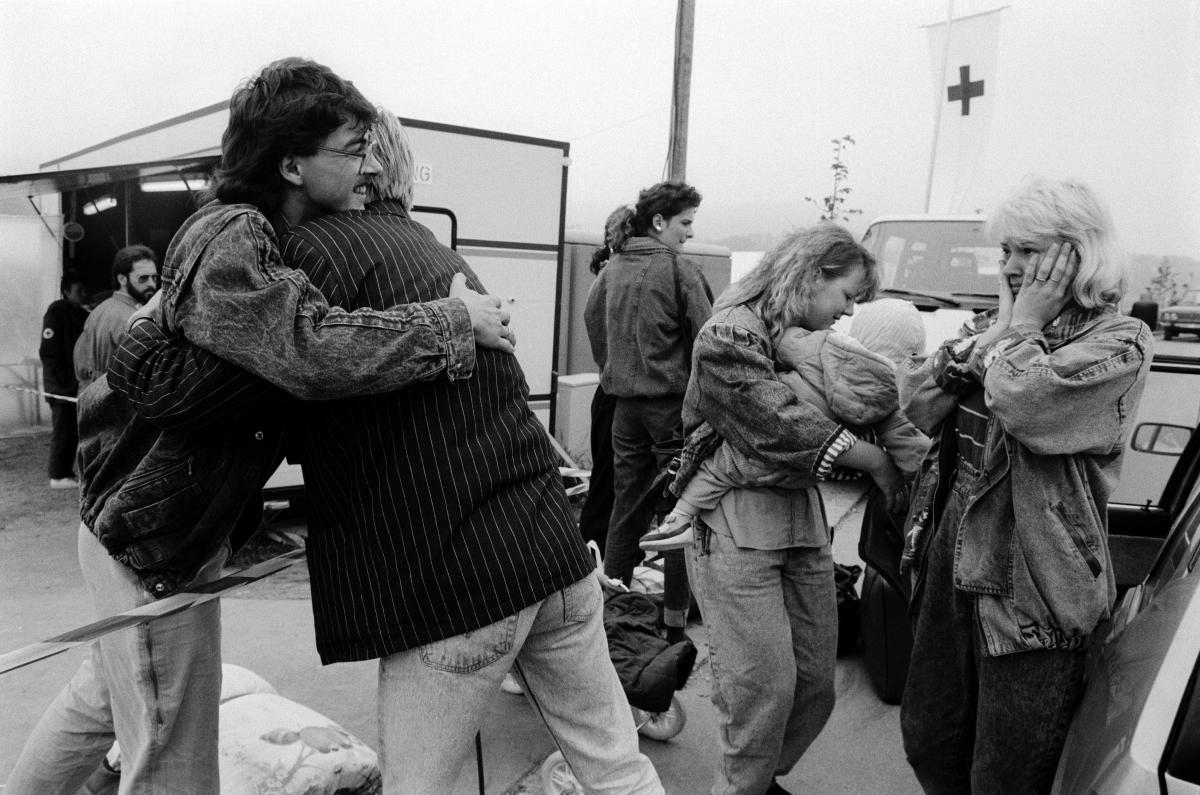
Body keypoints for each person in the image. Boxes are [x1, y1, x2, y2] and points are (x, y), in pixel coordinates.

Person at [5, 58, 514, 795]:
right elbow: (307, 348)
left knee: (107, 697)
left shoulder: (258, 237)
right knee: (174, 755)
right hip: (154, 539)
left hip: (145, 526)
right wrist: (451, 321)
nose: (365, 165)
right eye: (349, 150)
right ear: (293, 165)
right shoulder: (238, 234)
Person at [276, 109, 662, 793]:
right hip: (552, 559)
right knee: (616, 767)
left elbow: (294, 385)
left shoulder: (316, 252)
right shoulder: (438, 252)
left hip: (457, 585)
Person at [897, 176, 1153, 793]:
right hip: (950, 549)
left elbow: (1025, 402)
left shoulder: (1119, 341)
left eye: (1028, 251)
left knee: (1006, 773)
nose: (1009, 266)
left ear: (1078, 251)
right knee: (930, 738)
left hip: (1034, 575)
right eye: (1006, 251)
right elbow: (915, 403)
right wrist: (1008, 328)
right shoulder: (1001, 323)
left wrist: (1014, 331)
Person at [675, 224, 905, 794]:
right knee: (762, 691)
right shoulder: (730, 333)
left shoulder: (792, 332)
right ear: (812, 275)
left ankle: (758, 776)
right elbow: (774, 422)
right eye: (847, 295)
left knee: (812, 686)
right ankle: (742, 784)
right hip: (737, 530)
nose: (849, 312)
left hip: (801, 522)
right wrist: (873, 458)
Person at [641, 290, 928, 552]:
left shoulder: (826, 345)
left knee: (720, 467)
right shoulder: (891, 391)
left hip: (781, 431)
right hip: (813, 458)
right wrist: (921, 484)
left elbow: (784, 344)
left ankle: (681, 517)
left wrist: (782, 376)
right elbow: (909, 446)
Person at [583, 181, 713, 644]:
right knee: (679, 515)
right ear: (660, 222)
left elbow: (592, 323)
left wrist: (613, 371)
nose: (690, 234)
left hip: (623, 411)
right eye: (685, 223)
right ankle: (674, 626)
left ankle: (609, 616)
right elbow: (709, 343)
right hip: (670, 411)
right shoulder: (679, 269)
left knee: (626, 508)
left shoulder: (613, 267)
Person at [577, 206, 629, 553]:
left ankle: (607, 549)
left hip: (611, 388)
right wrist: (610, 366)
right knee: (609, 478)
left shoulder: (613, 273)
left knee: (612, 477)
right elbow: (594, 321)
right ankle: (594, 550)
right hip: (616, 390)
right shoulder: (614, 275)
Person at [73, 244, 160, 391]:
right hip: (120, 405)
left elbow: (80, 365)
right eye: (143, 278)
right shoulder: (136, 320)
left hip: (90, 400)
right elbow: (149, 378)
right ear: (122, 279)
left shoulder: (97, 311)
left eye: (154, 278)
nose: (151, 284)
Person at [39, 270, 88, 489]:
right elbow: (48, 352)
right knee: (63, 430)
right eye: (78, 291)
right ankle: (58, 475)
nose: (83, 294)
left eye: (84, 290)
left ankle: (65, 472)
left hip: (72, 383)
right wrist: (61, 382)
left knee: (71, 430)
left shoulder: (79, 313)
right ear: (66, 291)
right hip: (60, 385)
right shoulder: (56, 313)